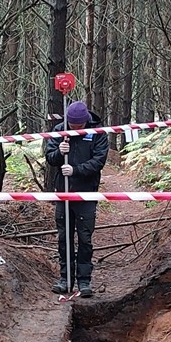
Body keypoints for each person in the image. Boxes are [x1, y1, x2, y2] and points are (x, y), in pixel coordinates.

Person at [43, 100, 108, 297]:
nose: (75, 129)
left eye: (78, 126)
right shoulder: (59, 130)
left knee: (85, 239)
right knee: (64, 238)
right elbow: (50, 157)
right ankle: (65, 279)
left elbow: (99, 161)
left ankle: (84, 281)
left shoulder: (98, 133)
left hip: (86, 194)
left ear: (85, 121)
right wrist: (58, 153)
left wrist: (76, 170)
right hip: (63, 193)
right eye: (72, 126)